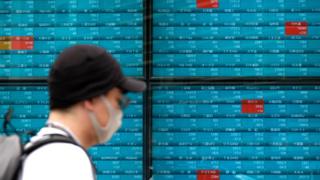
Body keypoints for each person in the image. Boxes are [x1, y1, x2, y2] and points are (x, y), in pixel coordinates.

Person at [19, 45, 146, 180]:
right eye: (119, 101)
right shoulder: (65, 161)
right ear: (91, 100)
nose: (120, 111)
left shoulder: (41, 150)